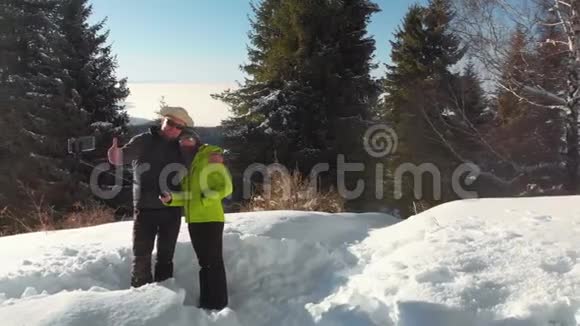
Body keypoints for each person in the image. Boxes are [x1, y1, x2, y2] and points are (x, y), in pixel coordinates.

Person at [108, 106, 194, 288]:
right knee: (141, 257)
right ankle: (140, 299)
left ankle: (164, 297)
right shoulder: (144, 140)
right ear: (162, 120)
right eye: (170, 123)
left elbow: (202, 158)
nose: (173, 128)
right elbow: (121, 157)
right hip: (145, 209)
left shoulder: (183, 146)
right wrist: (115, 154)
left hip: (172, 210)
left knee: (166, 257)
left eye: (179, 127)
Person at [159, 129, 233, 310]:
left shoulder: (210, 157)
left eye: (189, 138)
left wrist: (205, 199)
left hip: (211, 218)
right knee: (204, 263)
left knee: (213, 261)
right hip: (194, 220)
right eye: (182, 140)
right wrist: (172, 199)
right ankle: (207, 301)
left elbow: (227, 187)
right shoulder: (187, 165)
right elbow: (189, 196)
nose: (185, 142)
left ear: (197, 141)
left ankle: (218, 303)